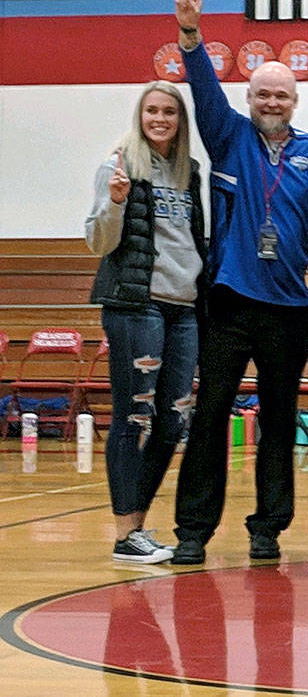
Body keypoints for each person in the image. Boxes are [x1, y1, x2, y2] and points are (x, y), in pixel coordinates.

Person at [170, 0, 308, 565]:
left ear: (294, 100)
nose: (271, 103)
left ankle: (268, 527)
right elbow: (203, 87)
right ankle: (193, 530)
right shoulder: (227, 136)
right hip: (230, 302)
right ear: (250, 98)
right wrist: (191, 33)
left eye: (281, 96)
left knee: (280, 421)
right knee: (210, 414)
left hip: (288, 309)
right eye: (262, 94)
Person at [85, 81, 205, 564]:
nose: (160, 119)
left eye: (169, 112)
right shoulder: (118, 165)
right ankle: (124, 532)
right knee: (134, 415)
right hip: (137, 305)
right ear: (141, 116)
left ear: (180, 120)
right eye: (152, 110)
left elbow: (194, 239)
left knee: (174, 420)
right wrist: (115, 202)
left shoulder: (189, 172)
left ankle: (137, 526)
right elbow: (98, 241)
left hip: (184, 309)